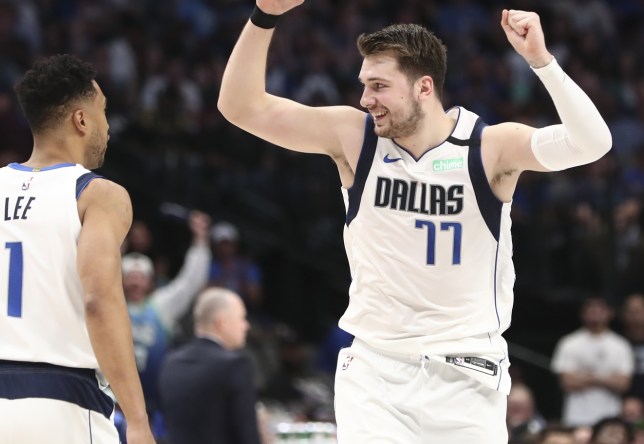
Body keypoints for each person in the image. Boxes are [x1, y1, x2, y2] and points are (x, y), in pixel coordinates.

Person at [217, 2, 613, 442]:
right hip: (376, 372)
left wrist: (542, 61)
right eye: (365, 85)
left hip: (467, 375)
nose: (366, 99)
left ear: (424, 87)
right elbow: (240, 107)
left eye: (379, 86)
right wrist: (264, 15)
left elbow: (592, 143)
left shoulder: (489, 147)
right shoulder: (354, 137)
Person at [0, 54, 155, 443]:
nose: (109, 126)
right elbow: (99, 300)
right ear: (81, 120)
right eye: (102, 111)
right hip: (63, 401)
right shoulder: (98, 195)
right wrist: (136, 419)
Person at [119, 210, 210, 436]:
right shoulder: (112, 304)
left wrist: (200, 240)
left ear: (150, 281)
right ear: (120, 280)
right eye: (130, 276)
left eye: (140, 277)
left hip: (155, 396)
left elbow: (190, 281)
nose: (135, 282)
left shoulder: (162, 304)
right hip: (115, 395)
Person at [158, 287, 261, 444]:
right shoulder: (235, 366)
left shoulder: (171, 363)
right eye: (242, 318)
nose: (246, 326)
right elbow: (247, 435)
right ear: (222, 323)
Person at [552, 298, 634, 427]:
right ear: (583, 314)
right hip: (576, 416)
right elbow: (566, 382)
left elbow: (623, 384)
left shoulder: (621, 345)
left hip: (610, 416)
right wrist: (607, 378)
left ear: (610, 313)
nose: (595, 314)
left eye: (600, 310)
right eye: (591, 310)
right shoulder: (569, 343)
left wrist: (585, 377)